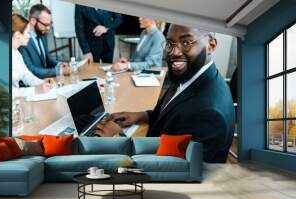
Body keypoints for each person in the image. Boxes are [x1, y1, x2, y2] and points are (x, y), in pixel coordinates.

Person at [95, 25, 235, 163]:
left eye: (186, 42)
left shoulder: (209, 113)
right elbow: (170, 112)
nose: (174, 52)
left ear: (211, 45)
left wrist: (117, 138)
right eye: (170, 44)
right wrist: (141, 115)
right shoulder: (189, 74)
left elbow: (175, 169)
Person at [19, 4, 70, 79]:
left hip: (46, 81)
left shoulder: (41, 34)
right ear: (33, 21)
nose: (48, 28)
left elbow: (48, 59)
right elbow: (31, 70)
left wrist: (60, 64)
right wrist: (59, 71)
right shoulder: (22, 40)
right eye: (45, 24)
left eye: (49, 24)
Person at [12, 13, 54, 94]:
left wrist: (43, 82)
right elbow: (8, 93)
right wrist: (35, 90)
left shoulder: (16, 52)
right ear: (17, 35)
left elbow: (27, 76)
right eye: (27, 32)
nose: (29, 36)